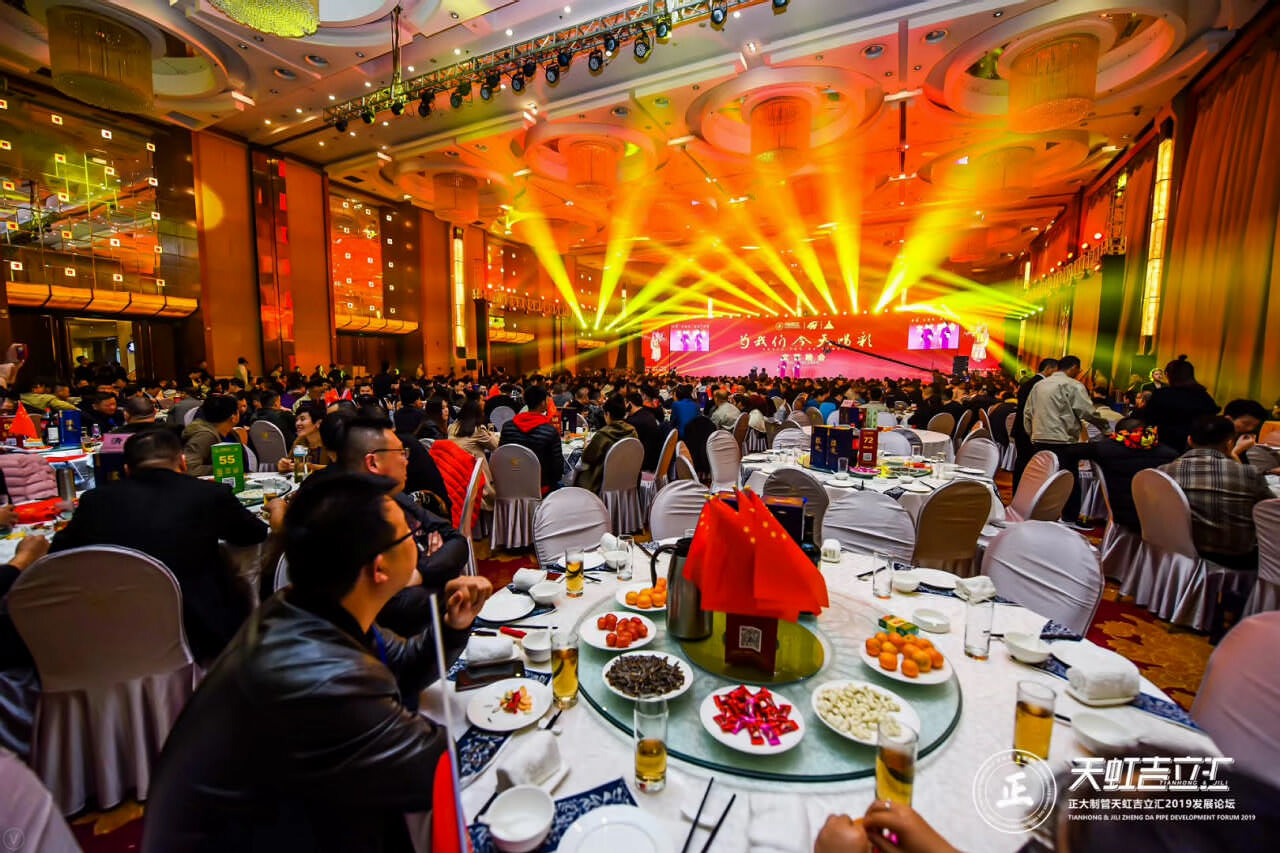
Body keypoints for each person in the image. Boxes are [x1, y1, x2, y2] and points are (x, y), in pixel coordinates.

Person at [141, 474, 488, 853]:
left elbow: (403, 665)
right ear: (379, 568)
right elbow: (431, 768)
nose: (419, 541)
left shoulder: (307, 606)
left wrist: (453, 626)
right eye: (409, 535)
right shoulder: (318, 674)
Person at [50, 429, 280, 664]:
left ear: (127, 470)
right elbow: (253, 533)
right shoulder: (209, 494)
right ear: (182, 462)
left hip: (114, 630)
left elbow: (57, 555)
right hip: (198, 631)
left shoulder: (95, 502)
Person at [333, 418, 480, 636]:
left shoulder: (396, 497)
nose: (406, 460)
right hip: (402, 638)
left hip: (433, 631)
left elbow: (456, 540)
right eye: (401, 453)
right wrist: (443, 578)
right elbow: (397, 607)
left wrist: (419, 572)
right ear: (373, 462)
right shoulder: (349, 524)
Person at [1160, 414, 1272, 573]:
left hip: (1178, 553)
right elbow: (1270, 510)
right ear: (1229, 443)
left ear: (1190, 440)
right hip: (1236, 559)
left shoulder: (1163, 472)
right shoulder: (1249, 474)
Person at [1024, 355, 1108, 523]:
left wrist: (1032, 434)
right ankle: (1069, 518)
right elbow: (1087, 412)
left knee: (1042, 479)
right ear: (1074, 368)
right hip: (1063, 440)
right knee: (1068, 480)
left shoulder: (1039, 385)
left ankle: (1036, 515)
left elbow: (1028, 413)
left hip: (1039, 439)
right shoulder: (1073, 385)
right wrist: (1105, 428)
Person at [1083, 418, 1178, 534]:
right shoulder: (1170, 454)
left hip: (1124, 513)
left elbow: (1070, 452)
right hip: (1160, 513)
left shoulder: (1105, 448)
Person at [1141, 355, 1219, 453]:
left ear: (1169, 375)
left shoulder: (1162, 394)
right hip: (1195, 446)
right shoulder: (1202, 395)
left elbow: (1149, 419)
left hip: (1164, 444)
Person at [499, 386, 563, 495]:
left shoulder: (508, 427)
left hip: (510, 484)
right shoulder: (550, 431)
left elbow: (501, 456)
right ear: (543, 403)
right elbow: (557, 470)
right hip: (539, 488)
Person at [574, 395, 638, 493]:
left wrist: (587, 447)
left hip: (602, 482)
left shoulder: (603, 435)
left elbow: (587, 458)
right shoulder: (632, 432)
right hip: (626, 479)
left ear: (607, 414)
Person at [1011, 358, 1057, 488]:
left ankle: (1018, 490)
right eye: (1056, 371)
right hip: (1029, 429)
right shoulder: (1040, 385)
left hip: (1021, 427)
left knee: (1022, 461)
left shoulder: (1028, 383)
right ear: (1048, 369)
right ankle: (1025, 491)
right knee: (1028, 463)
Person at [182, 394, 248, 477]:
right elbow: (189, 469)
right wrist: (224, 469)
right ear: (233, 417)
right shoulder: (204, 436)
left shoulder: (231, 434)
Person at [1223, 398, 1280, 473]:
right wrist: (1235, 452)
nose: (1250, 428)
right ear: (1228, 419)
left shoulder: (1244, 440)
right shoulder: (1214, 439)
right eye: (1246, 424)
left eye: (1255, 426)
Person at [276, 402, 326, 474]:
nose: (297, 423)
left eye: (302, 419)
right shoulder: (300, 440)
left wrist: (310, 467)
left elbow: (338, 469)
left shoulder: (330, 440)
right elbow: (290, 463)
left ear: (318, 423)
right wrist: (283, 466)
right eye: (296, 420)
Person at [625, 391, 665, 471]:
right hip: (654, 458)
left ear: (629, 404)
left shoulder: (633, 422)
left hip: (644, 463)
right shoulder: (648, 414)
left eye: (625, 403)